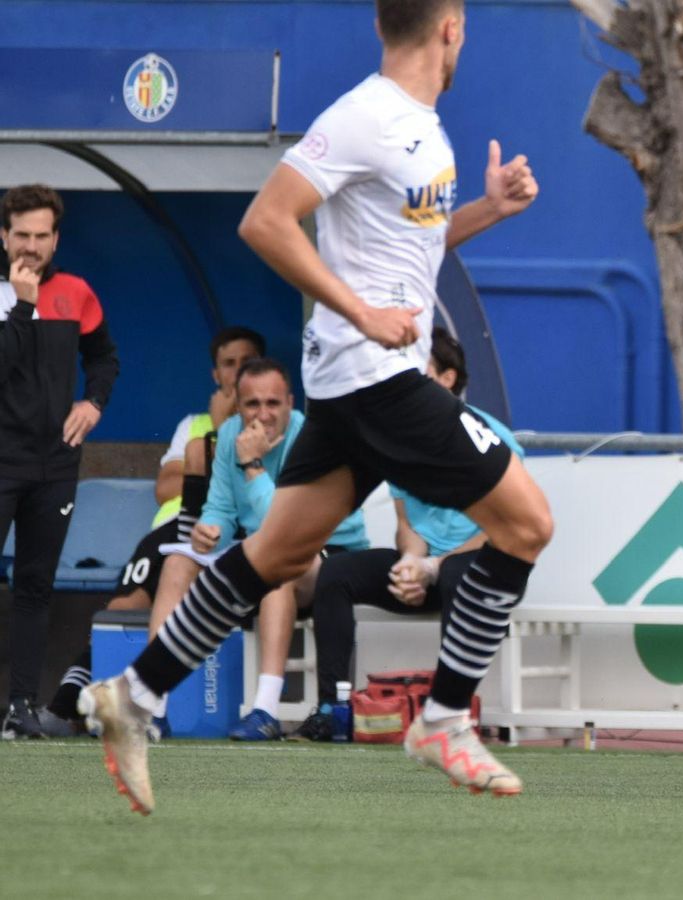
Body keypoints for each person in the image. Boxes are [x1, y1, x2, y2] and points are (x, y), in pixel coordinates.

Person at [79, 0, 552, 814]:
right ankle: (443, 719)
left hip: (361, 380)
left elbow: (408, 254)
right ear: (451, 28)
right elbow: (266, 221)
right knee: (529, 524)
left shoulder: (421, 127)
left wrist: (487, 211)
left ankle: (137, 695)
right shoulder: (366, 116)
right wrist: (362, 314)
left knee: (277, 554)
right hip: (376, 376)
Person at [297, 329, 521, 741]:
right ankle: (333, 709)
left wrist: (434, 566)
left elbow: (508, 531)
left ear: (448, 379)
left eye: (419, 374)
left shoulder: (493, 437)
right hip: (428, 569)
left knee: (458, 573)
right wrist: (409, 564)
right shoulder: (402, 442)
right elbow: (408, 525)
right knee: (336, 574)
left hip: (482, 569)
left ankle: (449, 716)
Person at [39, 326, 265, 736]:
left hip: (232, 532)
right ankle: (68, 703)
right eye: (228, 364)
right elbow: (165, 488)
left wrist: (216, 442)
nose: (236, 372)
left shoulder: (272, 423)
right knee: (123, 609)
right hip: (172, 530)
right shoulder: (192, 424)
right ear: (215, 374)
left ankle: (157, 705)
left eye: (245, 363)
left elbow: (238, 490)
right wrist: (212, 438)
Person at [145, 356, 369, 741]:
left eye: (272, 403)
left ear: (291, 403)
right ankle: (153, 711)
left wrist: (252, 466)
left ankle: (264, 710)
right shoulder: (231, 435)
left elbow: (285, 526)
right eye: (252, 404)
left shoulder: (312, 438)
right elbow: (221, 508)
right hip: (268, 548)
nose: (262, 414)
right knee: (179, 563)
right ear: (238, 406)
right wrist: (208, 530)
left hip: (329, 555)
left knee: (276, 565)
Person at [0, 184, 120, 739]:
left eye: (40, 235)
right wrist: (22, 305)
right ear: (4, 236)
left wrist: (93, 402)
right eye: (20, 234)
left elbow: (103, 357)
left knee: (34, 585)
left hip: (55, 465)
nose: (30, 246)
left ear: (55, 238)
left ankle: (21, 706)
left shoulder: (77, 291)